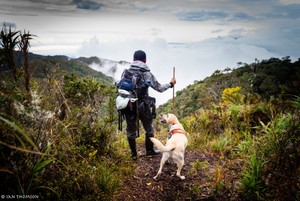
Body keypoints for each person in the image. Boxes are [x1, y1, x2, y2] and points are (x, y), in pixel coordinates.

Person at [121, 50, 176, 160]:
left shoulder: (126, 72)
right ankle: (149, 151)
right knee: (149, 129)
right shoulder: (147, 73)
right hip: (143, 106)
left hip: (128, 105)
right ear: (145, 60)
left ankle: (133, 154)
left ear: (133, 59)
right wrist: (170, 84)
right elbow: (159, 88)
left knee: (130, 130)